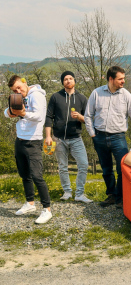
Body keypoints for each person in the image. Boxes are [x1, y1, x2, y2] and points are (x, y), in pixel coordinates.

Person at [84, 66, 131, 208]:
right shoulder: (96, 93)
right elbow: (88, 115)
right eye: (120, 79)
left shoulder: (126, 95)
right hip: (99, 137)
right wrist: (92, 134)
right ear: (111, 79)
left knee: (123, 167)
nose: (123, 81)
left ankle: (121, 197)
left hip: (118, 138)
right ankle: (111, 195)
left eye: (123, 78)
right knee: (106, 168)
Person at [4, 75, 52, 224]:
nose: (18, 91)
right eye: (14, 90)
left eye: (19, 87)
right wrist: (10, 113)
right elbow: (6, 112)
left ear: (24, 82)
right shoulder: (17, 97)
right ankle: (30, 203)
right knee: (24, 174)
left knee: (37, 176)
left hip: (33, 140)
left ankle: (47, 209)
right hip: (20, 139)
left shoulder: (36, 95)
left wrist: (23, 113)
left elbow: (39, 117)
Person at [45, 71, 92, 203]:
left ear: (74, 81)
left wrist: (80, 117)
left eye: (70, 78)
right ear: (62, 82)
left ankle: (79, 194)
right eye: (65, 79)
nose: (68, 81)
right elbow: (49, 117)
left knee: (83, 164)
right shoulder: (55, 97)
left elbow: (89, 119)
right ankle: (67, 192)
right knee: (62, 166)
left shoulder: (82, 98)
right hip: (58, 138)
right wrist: (48, 136)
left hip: (76, 138)